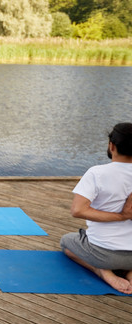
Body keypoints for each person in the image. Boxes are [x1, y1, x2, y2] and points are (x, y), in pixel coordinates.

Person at [61, 123, 132, 294]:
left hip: (104, 255)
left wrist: (121, 216)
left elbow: (78, 210)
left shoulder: (97, 173)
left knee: (67, 242)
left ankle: (102, 271)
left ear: (111, 146)